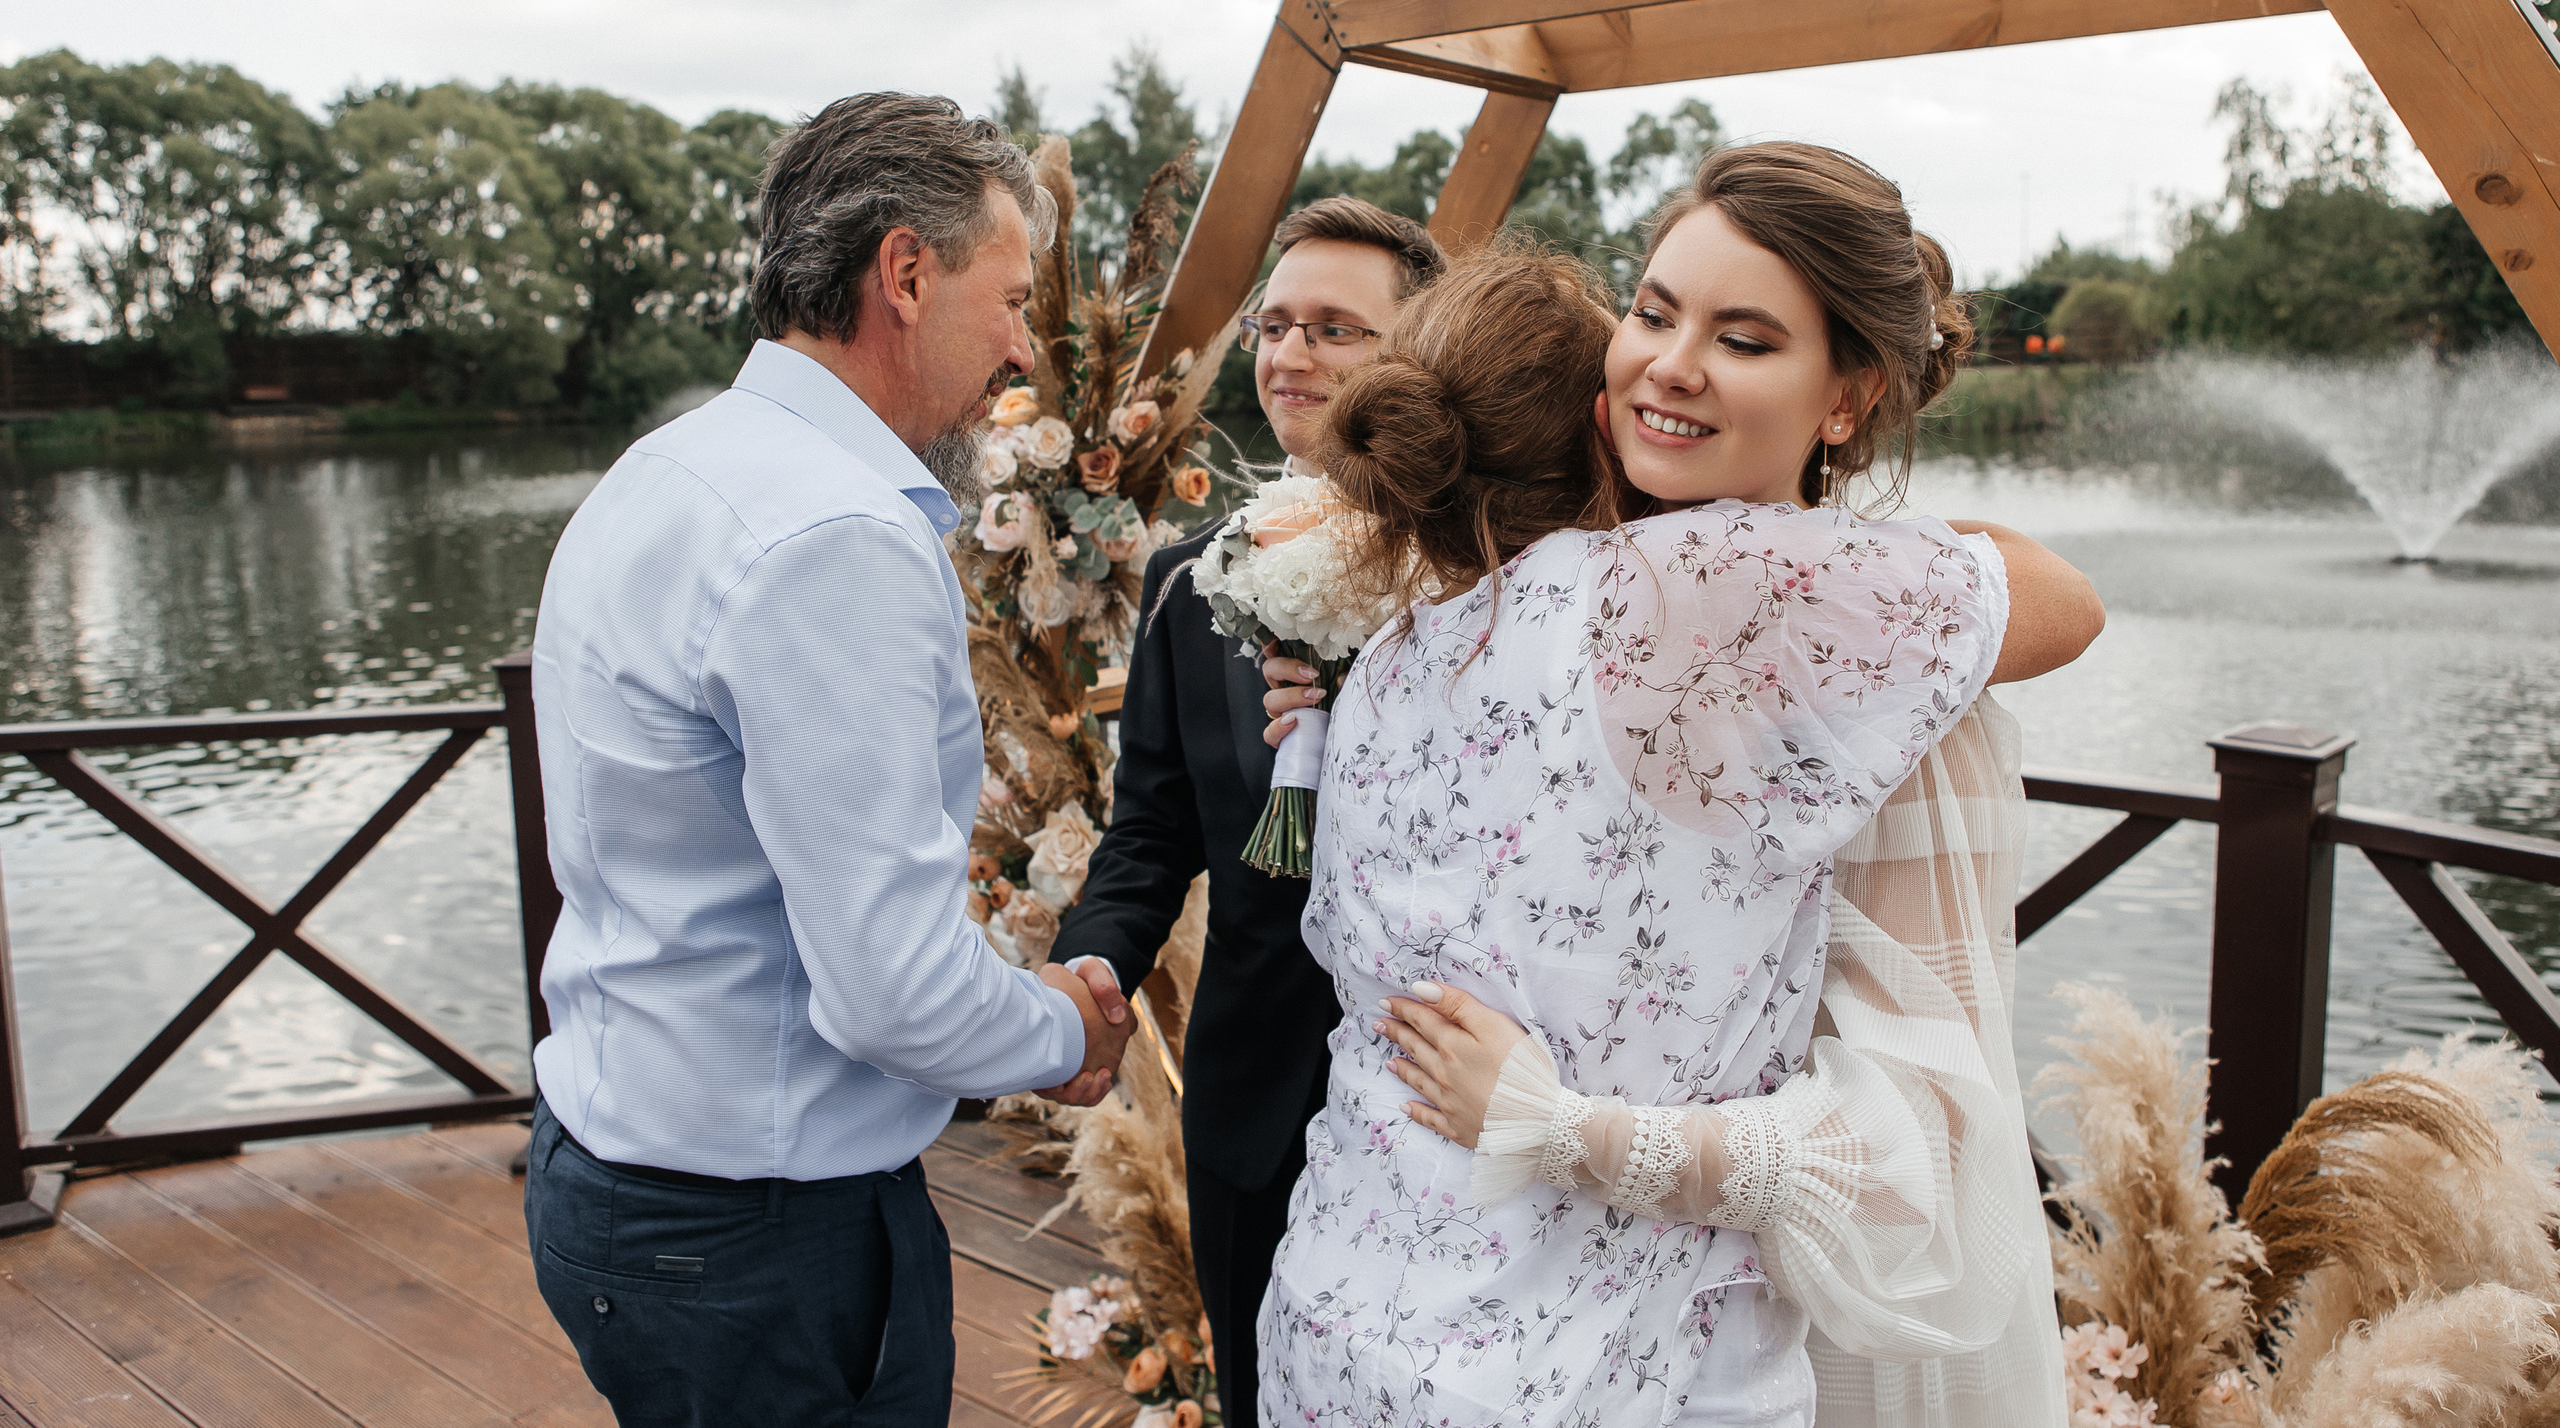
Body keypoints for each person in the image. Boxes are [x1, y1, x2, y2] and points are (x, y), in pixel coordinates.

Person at [1256, 148, 2100, 1425]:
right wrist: (1574, 1133)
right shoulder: (1721, 589)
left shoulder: (1391, 656)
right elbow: (2065, 601)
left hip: (1336, 1325)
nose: (1669, 362)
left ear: (1848, 393)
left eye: (1741, 337)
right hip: (1606, 1379)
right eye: (1652, 314)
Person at [522, 93, 1132, 1427]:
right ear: (906, 274)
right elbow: (891, 994)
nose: (1022, 347)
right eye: (1012, 297)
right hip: (753, 1234)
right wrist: (1063, 1027)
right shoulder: (832, 538)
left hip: (624, 1166)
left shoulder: (670, 469)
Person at [1050, 195, 1448, 1428]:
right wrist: (1085, 968)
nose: (1289, 354)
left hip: (1445, 1099)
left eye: (1337, 327)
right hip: (1255, 1101)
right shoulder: (1188, 580)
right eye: (1276, 325)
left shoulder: (1486, 572)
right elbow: (1154, 831)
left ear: (1421, 355)